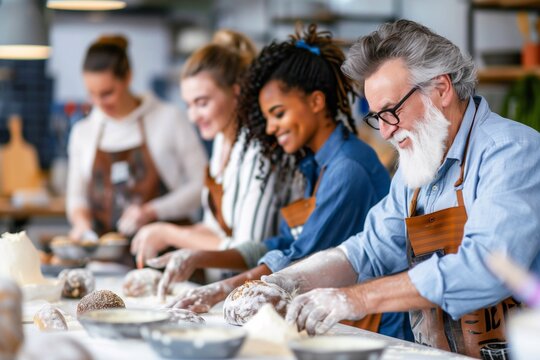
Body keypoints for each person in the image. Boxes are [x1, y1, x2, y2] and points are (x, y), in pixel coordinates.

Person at [251, 20, 540, 359]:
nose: (386, 133)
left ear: (441, 89)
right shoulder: (417, 163)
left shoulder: (512, 152)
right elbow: (366, 251)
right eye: (377, 118)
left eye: (391, 111)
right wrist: (283, 281)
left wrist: (355, 298)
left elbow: (486, 267)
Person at [154, 24, 412, 340]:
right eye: (268, 118)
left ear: (316, 102)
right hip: (344, 323)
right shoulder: (315, 166)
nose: (273, 128)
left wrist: (223, 289)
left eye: (278, 113)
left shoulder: (348, 168)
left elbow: (300, 259)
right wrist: (200, 257)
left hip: (377, 332)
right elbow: (281, 245)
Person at [130, 30, 292, 274]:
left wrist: (170, 233)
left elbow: (247, 250)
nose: (193, 116)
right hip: (224, 285)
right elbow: (213, 230)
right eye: (188, 104)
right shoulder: (221, 141)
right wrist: (161, 233)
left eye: (202, 103)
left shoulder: (260, 150)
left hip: (262, 291)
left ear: (236, 93)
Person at [67, 35, 207, 242]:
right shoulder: (83, 132)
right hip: (105, 259)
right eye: (91, 94)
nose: (98, 103)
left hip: (168, 250)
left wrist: (152, 211)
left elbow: (202, 185)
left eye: (107, 93)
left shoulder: (169, 118)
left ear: (128, 77)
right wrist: (81, 225)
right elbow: (76, 196)